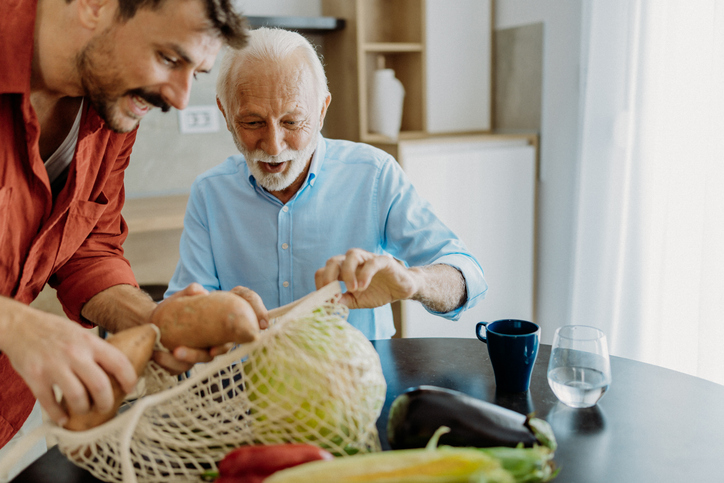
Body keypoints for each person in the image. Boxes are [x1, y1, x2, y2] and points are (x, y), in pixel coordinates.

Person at [0, 0, 264, 473]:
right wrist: (15, 325)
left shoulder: (112, 98)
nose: (182, 99)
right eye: (168, 58)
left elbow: (89, 248)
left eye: (196, 73)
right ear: (94, 6)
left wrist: (154, 318)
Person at [165, 27, 487, 340]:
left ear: (321, 111)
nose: (274, 145)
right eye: (253, 122)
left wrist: (414, 282)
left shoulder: (373, 174)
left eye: (292, 121)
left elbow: (467, 276)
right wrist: (211, 312)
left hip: (359, 384)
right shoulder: (210, 194)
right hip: (251, 388)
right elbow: (177, 316)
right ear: (226, 113)